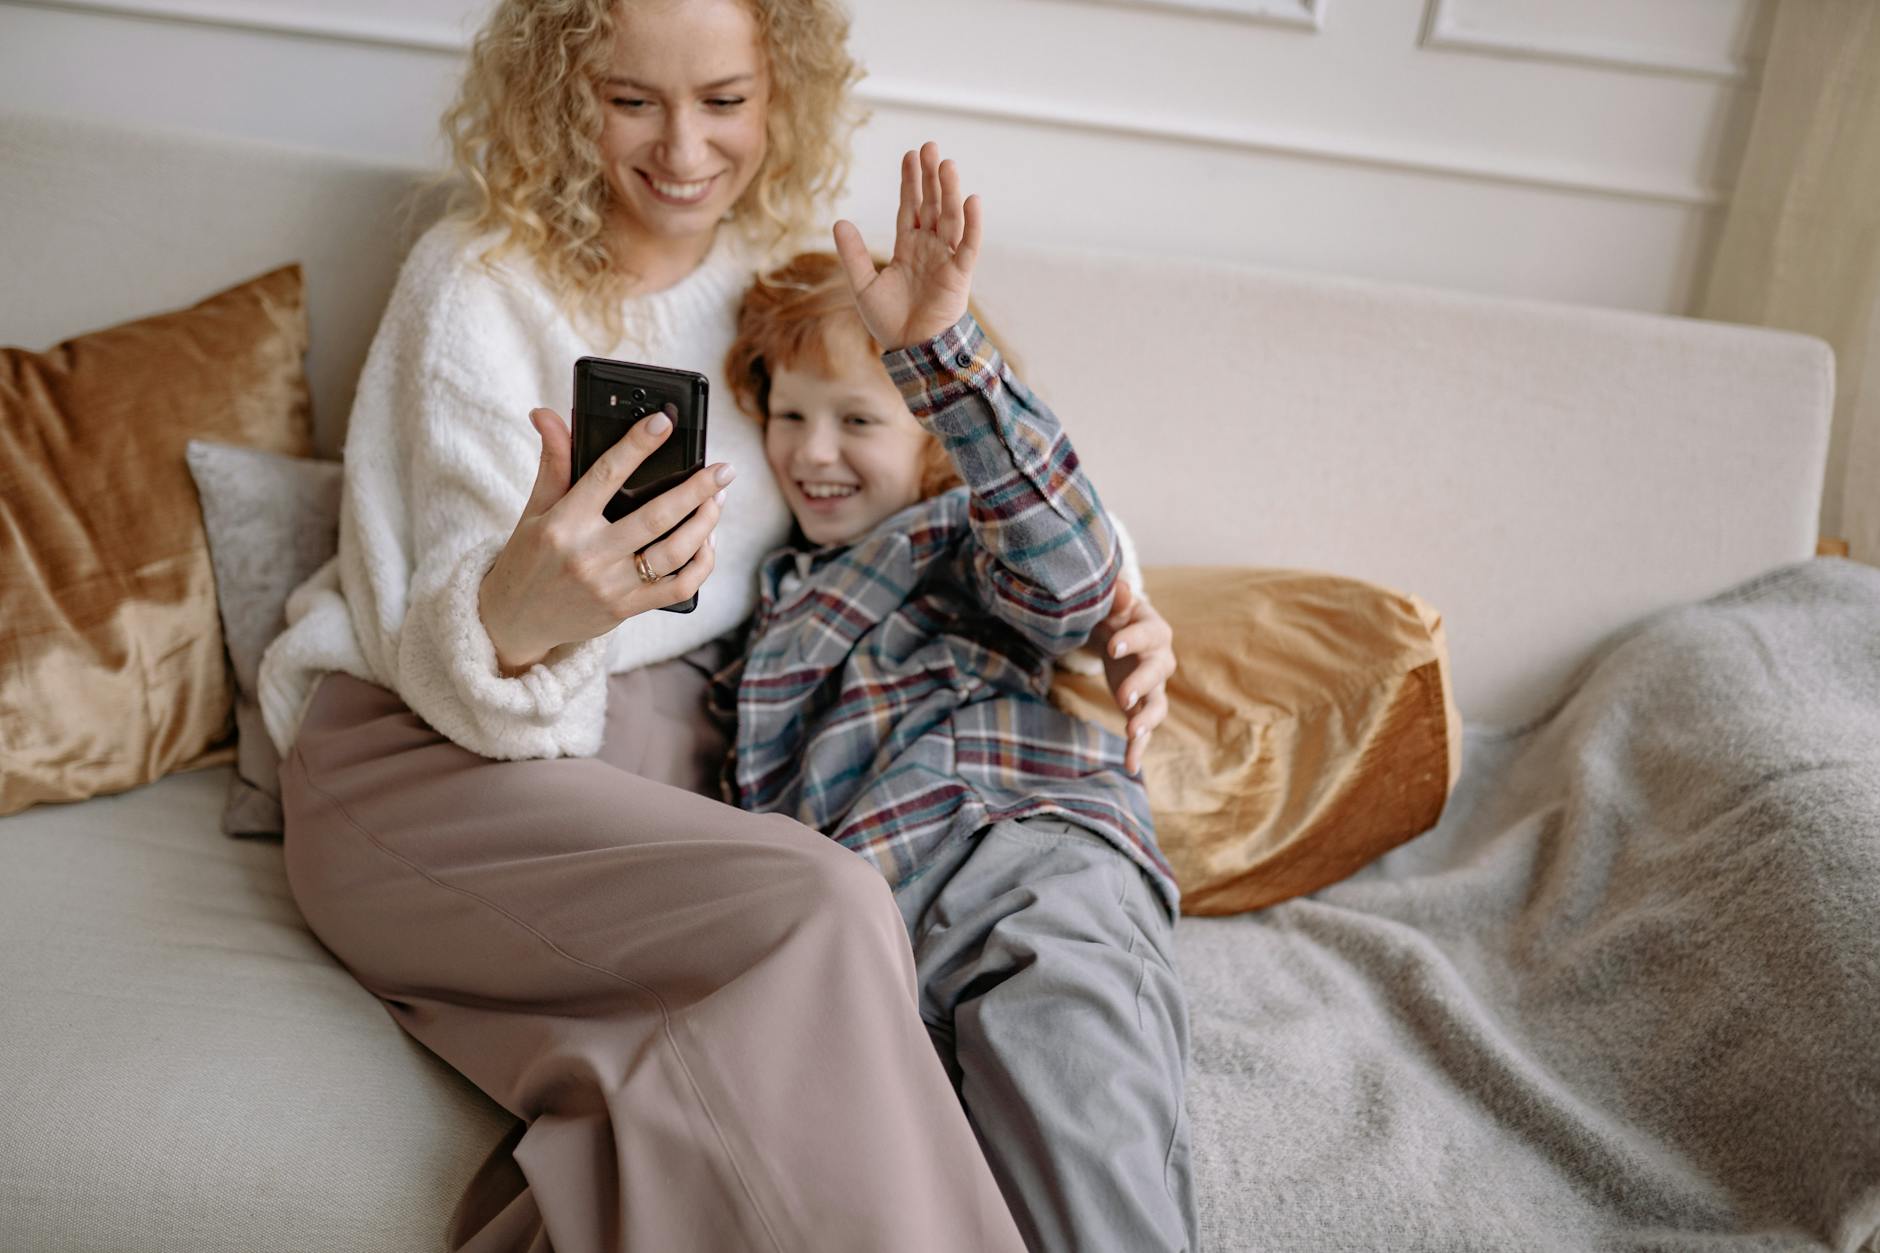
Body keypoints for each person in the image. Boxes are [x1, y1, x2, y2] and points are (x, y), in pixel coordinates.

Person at [257, 0, 1178, 1248]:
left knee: (734, 1070)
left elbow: (931, 480)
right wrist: (522, 614)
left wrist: (1119, 591)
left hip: (664, 756)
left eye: (724, 101)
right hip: (431, 746)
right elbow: (454, 652)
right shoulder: (476, 287)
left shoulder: (778, 276)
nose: (684, 149)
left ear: (779, 94)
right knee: (825, 910)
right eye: (630, 100)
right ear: (556, 94)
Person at [714, 143, 1195, 1253]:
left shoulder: (954, 543)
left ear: (933, 439)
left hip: (1017, 860)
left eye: (859, 419)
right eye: (787, 416)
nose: (812, 453)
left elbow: (1067, 566)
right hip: (864, 946)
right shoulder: (764, 592)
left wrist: (939, 354)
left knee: (1087, 1150)